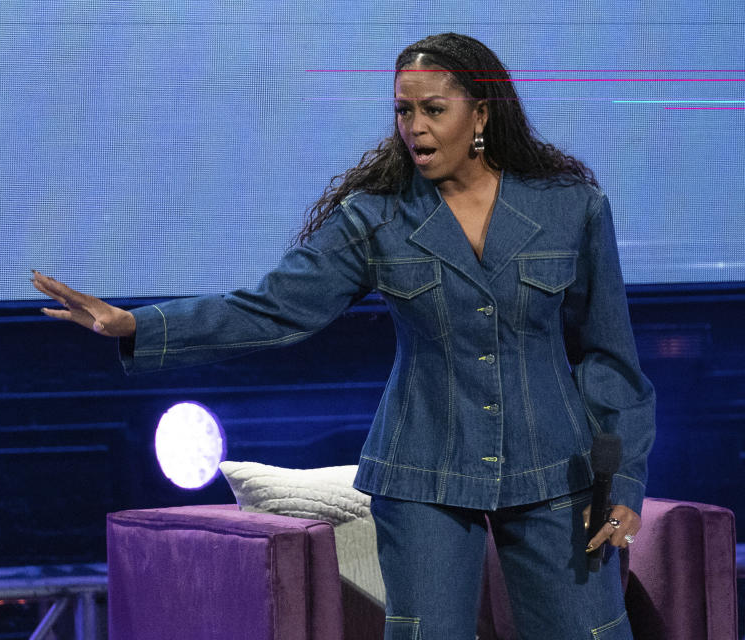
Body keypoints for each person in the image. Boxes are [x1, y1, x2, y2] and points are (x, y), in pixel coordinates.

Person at [32, 32, 655, 640]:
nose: (415, 127)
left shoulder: (569, 207)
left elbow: (609, 361)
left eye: (434, 110)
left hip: (554, 466)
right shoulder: (376, 215)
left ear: (482, 112)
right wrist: (138, 324)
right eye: (404, 111)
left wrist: (622, 483)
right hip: (423, 468)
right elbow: (273, 308)